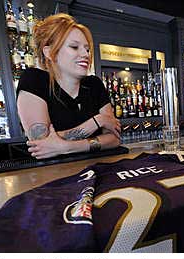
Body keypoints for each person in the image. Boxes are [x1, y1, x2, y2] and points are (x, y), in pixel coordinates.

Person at [17, 13, 121, 159]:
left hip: (99, 169)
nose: (85, 54)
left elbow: (114, 138)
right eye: (74, 47)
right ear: (50, 53)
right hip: (54, 176)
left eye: (87, 49)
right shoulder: (34, 80)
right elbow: (40, 143)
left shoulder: (94, 84)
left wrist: (68, 147)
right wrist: (97, 121)